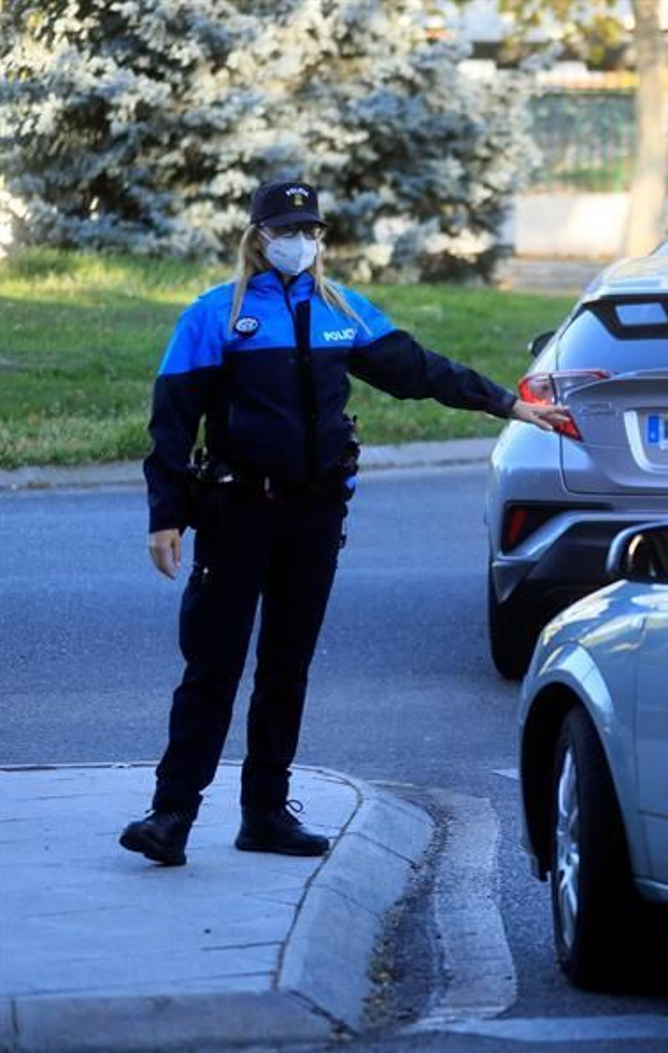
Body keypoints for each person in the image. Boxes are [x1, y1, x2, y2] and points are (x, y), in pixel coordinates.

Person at [119, 180, 568, 867]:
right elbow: (172, 420)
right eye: (287, 229)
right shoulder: (216, 315)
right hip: (237, 513)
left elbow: (420, 370)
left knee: (287, 667)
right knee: (213, 665)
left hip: (314, 515)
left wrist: (507, 404)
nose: (301, 241)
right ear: (258, 234)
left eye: (312, 230)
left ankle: (265, 812)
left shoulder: (340, 311)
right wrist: (167, 514)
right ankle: (171, 812)